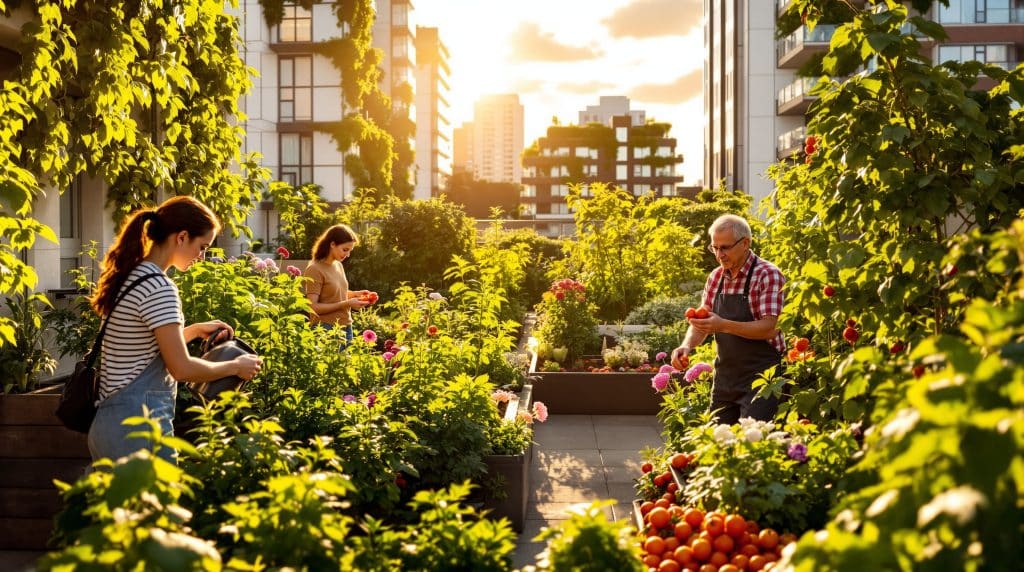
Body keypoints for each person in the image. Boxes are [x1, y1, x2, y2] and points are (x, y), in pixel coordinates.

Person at [88, 196, 263, 463]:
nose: (201, 257)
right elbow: (180, 368)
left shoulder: (132, 276)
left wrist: (192, 331)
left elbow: (139, 349)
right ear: (181, 237)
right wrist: (236, 367)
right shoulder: (159, 287)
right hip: (139, 427)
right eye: (202, 247)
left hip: (111, 426)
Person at [671, 214, 786, 424]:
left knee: (754, 444)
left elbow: (770, 328)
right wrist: (686, 346)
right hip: (726, 377)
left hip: (762, 378)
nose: (719, 255)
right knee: (715, 444)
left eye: (724, 247)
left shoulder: (767, 275)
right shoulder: (716, 276)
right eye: (714, 248)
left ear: (745, 244)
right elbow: (702, 321)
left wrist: (723, 325)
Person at [303, 224, 371, 346]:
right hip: (326, 329)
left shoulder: (338, 265)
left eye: (350, 251)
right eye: (345, 250)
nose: (348, 255)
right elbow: (313, 307)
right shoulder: (314, 269)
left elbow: (335, 294)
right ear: (332, 244)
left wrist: (356, 295)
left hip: (346, 327)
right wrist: (347, 304)